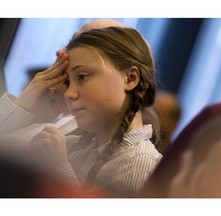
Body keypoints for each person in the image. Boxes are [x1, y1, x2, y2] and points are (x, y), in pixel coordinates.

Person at [29, 27, 162, 195]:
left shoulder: (139, 163)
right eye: (68, 82)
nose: (69, 93)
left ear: (131, 78)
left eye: (82, 77)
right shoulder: (69, 146)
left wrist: (59, 169)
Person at [0, 19, 126, 137]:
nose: (59, 52)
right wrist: (23, 106)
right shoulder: (60, 120)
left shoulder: (88, 133)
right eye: (69, 42)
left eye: (77, 42)